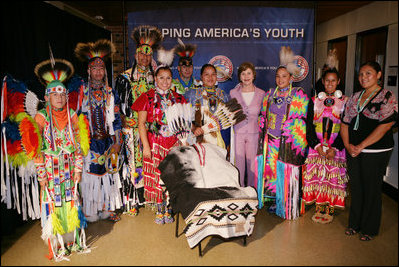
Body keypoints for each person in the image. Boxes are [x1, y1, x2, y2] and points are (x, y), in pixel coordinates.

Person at [33, 58, 89, 259]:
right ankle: (56, 244)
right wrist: (41, 174)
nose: (59, 97)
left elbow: (80, 145)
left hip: (69, 168)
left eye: (62, 93)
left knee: (72, 203)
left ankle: (73, 240)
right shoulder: (41, 117)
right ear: (47, 97)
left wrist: (78, 168)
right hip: (50, 170)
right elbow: (35, 147)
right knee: (52, 205)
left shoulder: (72, 114)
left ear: (67, 96)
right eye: (54, 93)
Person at [341, 61, 398, 241]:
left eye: (368, 73)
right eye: (361, 74)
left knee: (371, 189)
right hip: (353, 150)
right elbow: (344, 123)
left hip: (376, 150)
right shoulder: (354, 97)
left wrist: (361, 146)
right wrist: (348, 145)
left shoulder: (387, 96)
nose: (364, 77)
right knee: (356, 188)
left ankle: (369, 228)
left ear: (379, 74)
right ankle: (354, 223)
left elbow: (385, 126)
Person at [114, 25, 163, 216]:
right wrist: (122, 125)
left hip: (152, 129)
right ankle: (132, 201)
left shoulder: (157, 78)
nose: (145, 58)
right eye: (141, 55)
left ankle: (151, 197)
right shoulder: (125, 77)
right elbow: (118, 106)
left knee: (152, 162)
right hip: (132, 129)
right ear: (135, 55)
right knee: (132, 164)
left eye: (148, 55)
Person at [256, 46, 309, 220]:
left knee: (285, 172)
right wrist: (261, 120)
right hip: (270, 141)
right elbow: (263, 114)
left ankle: (286, 202)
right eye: (278, 76)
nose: (280, 79)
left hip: (286, 142)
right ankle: (273, 200)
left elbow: (302, 118)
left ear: (291, 78)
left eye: (284, 76)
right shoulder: (269, 94)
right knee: (270, 172)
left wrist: (293, 125)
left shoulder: (298, 95)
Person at [74, 39, 123, 222]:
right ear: (88, 71)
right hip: (89, 141)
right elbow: (76, 119)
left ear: (105, 71)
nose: (98, 72)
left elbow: (117, 120)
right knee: (90, 178)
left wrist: (117, 142)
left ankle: (107, 209)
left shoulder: (110, 93)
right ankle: (90, 211)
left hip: (108, 141)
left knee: (107, 176)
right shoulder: (81, 93)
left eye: (101, 68)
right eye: (94, 69)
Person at [132, 65, 187, 224]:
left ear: (172, 79)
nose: (165, 81)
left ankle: (169, 206)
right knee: (156, 175)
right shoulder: (147, 97)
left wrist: (184, 142)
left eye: (168, 78)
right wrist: (146, 147)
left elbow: (183, 124)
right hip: (155, 142)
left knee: (172, 174)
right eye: (161, 77)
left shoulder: (178, 98)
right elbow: (141, 124)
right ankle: (160, 207)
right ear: (155, 79)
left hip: (173, 142)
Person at [303, 67, 349, 224]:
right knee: (317, 177)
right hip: (317, 147)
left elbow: (346, 127)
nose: (330, 83)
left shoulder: (344, 102)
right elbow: (308, 126)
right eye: (327, 80)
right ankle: (318, 206)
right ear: (322, 82)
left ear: (338, 82)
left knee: (332, 178)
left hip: (335, 148)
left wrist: (334, 148)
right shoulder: (314, 101)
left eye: (333, 80)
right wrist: (316, 146)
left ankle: (329, 208)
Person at [229, 62, 265, 187]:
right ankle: (239, 192)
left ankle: (252, 191)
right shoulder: (233, 93)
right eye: (243, 73)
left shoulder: (261, 93)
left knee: (252, 165)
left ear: (254, 75)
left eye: (249, 73)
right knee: (238, 164)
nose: (246, 76)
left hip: (254, 134)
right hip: (238, 133)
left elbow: (265, 115)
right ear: (239, 77)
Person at [184, 64, 230, 148]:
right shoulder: (191, 94)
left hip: (219, 142)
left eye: (213, 74)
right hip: (198, 140)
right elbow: (184, 118)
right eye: (206, 74)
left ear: (216, 76)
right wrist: (194, 129)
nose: (210, 77)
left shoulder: (224, 96)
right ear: (201, 76)